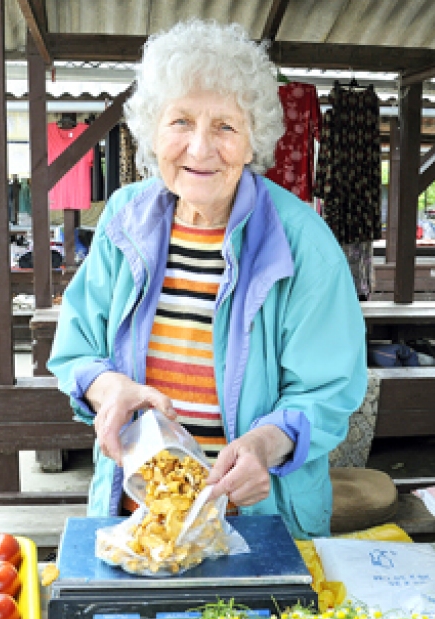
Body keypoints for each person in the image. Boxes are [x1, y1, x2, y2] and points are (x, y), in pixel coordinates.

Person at [48, 20, 367, 539]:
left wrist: (265, 444)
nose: (199, 149)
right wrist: (109, 389)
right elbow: (76, 348)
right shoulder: (124, 219)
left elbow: (327, 389)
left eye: (225, 127)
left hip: (257, 521)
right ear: (153, 131)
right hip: (137, 515)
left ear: (253, 140)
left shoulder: (304, 243)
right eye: (180, 121)